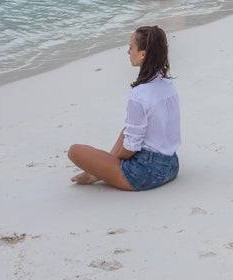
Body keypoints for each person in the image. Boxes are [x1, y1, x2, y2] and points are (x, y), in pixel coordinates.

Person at [68, 25, 180, 191]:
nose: (128, 52)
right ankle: (101, 170)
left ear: (143, 54)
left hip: (146, 173)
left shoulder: (139, 95)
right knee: (128, 129)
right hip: (171, 165)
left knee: (75, 151)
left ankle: (98, 173)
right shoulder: (167, 84)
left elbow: (131, 148)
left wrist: (111, 163)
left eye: (131, 48)